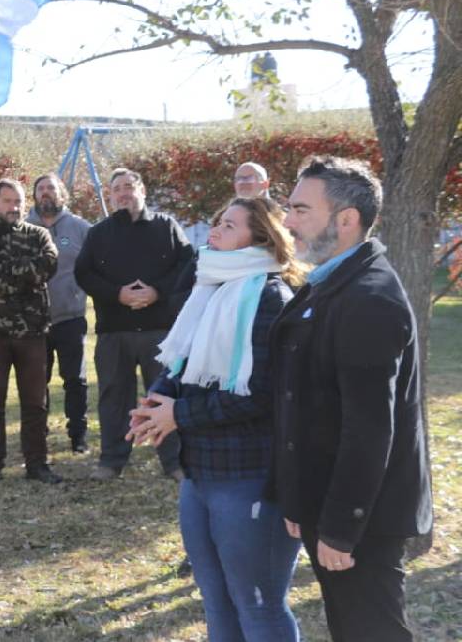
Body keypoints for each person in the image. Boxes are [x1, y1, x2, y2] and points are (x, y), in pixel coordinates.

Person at [127, 197, 305, 641]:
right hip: (201, 474)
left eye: (228, 225)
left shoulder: (270, 297)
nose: (214, 233)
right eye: (216, 222)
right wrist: (158, 401)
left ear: (259, 238)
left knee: (258, 605)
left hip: (249, 477)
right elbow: (182, 362)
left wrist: (179, 414)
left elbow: (262, 395)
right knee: (216, 598)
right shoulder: (211, 288)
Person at [270, 156, 432, 641]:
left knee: (372, 632)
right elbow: (309, 400)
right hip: (329, 502)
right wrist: (300, 501)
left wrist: (342, 526)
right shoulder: (331, 284)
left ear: (346, 220)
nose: (288, 221)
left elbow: (369, 430)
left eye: (300, 210)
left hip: (363, 518)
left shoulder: (368, 296)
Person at [74, 167, 193, 480]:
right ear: (111, 196)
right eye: (117, 189)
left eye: (129, 186)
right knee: (114, 397)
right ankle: (112, 461)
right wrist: (118, 295)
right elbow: (83, 274)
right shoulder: (99, 233)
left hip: (161, 330)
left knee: (166, 396)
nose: (124, 193)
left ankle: (174, 462)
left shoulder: (166, 226)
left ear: (142, 190)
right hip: (115, 330)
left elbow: (187, 266)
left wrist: (158, 292)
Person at [0, 178, 61, 486]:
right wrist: (25, 275)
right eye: (7, 201)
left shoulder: (39, 234)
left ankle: (37, 464)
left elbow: (47, 267)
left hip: (33, 331)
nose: (14, 207)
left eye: (18, 201)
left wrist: (6, 275)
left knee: (35, 402)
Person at [26, 173, 91, 453]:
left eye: (51, 188)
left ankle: (78, 437)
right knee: (37, 383)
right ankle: (38, 439)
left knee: (75, 380)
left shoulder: (80, 228)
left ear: (61, 194)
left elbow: (95, 267)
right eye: (40, 189)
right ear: (34, 196)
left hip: (70, 318)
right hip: (33, 321)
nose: (45, 193)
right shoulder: (22, 227)